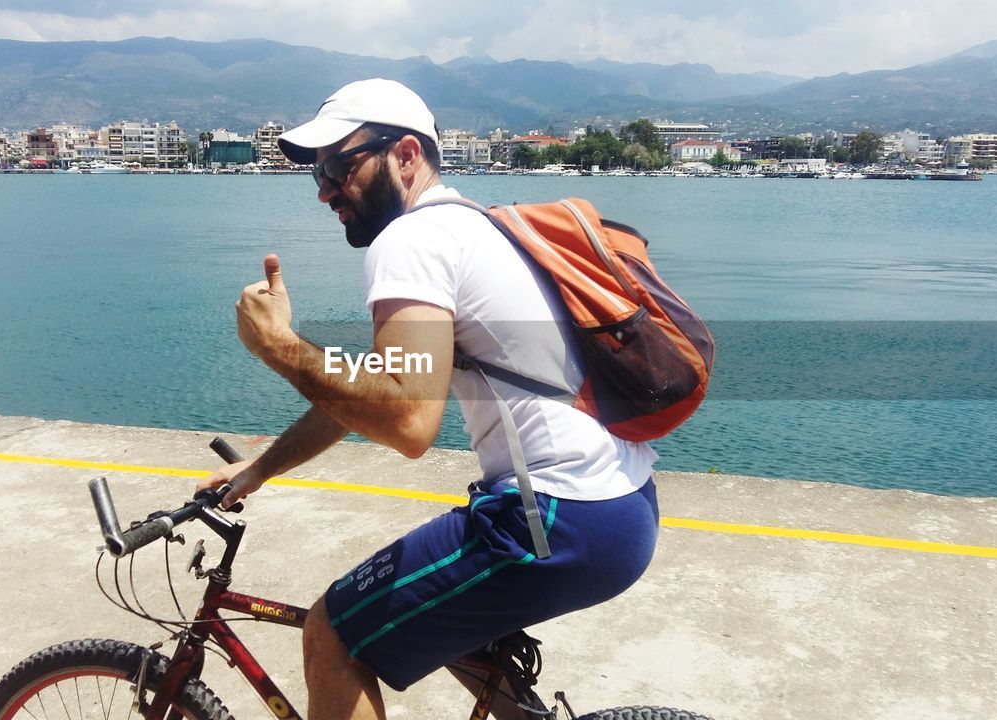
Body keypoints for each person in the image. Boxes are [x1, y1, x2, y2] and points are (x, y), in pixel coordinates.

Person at [197, 78, 660, 720]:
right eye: (317, 173)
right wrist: (259, 469)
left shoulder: (409, 242)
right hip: (618, 506)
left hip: (558, 516)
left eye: (339, 165)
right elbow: (382, 381)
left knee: (333, 634)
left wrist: (279, 347)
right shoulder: (474, 226)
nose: (325, 188)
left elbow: (408, 421)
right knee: (446, 626)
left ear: (406, 155)